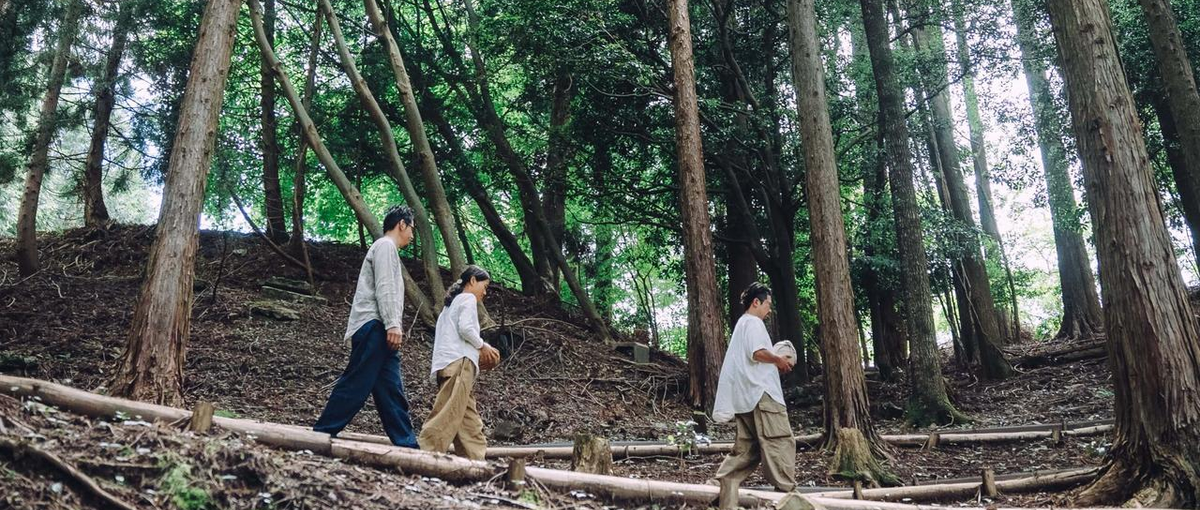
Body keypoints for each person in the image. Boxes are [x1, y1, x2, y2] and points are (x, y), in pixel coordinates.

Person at [313, 205, 417, 447]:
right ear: (401, 224)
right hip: (375, 326)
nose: (412, 235)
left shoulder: (386, 249)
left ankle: (407, 444)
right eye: (412, 228)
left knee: (391, 390)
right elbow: (385, 287)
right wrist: (393, 324)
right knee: (356, 382)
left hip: (379, 327)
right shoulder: (385, 246)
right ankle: (321, 433)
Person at [712, 282, 797, 509]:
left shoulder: (742, 325)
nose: (769, 309)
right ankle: (788, 498)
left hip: (746, 396)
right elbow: (757, 353)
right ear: (756, 302)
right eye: (767, 304)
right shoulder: (753, 322)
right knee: (779, 442)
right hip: (762, 395)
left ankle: (716, 495)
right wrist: (779, 359)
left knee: (747, 451)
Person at [417, 265, 501, 460]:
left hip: (450, 365)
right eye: (484, 286)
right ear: (472, 281)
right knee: (446, 415)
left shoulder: (450, 306)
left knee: (468, 420)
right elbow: (466, 329)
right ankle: (424, 456)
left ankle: (475, 463)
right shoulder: (468, 298)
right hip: (459, 365)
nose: (485, 292)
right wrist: (483, 346)